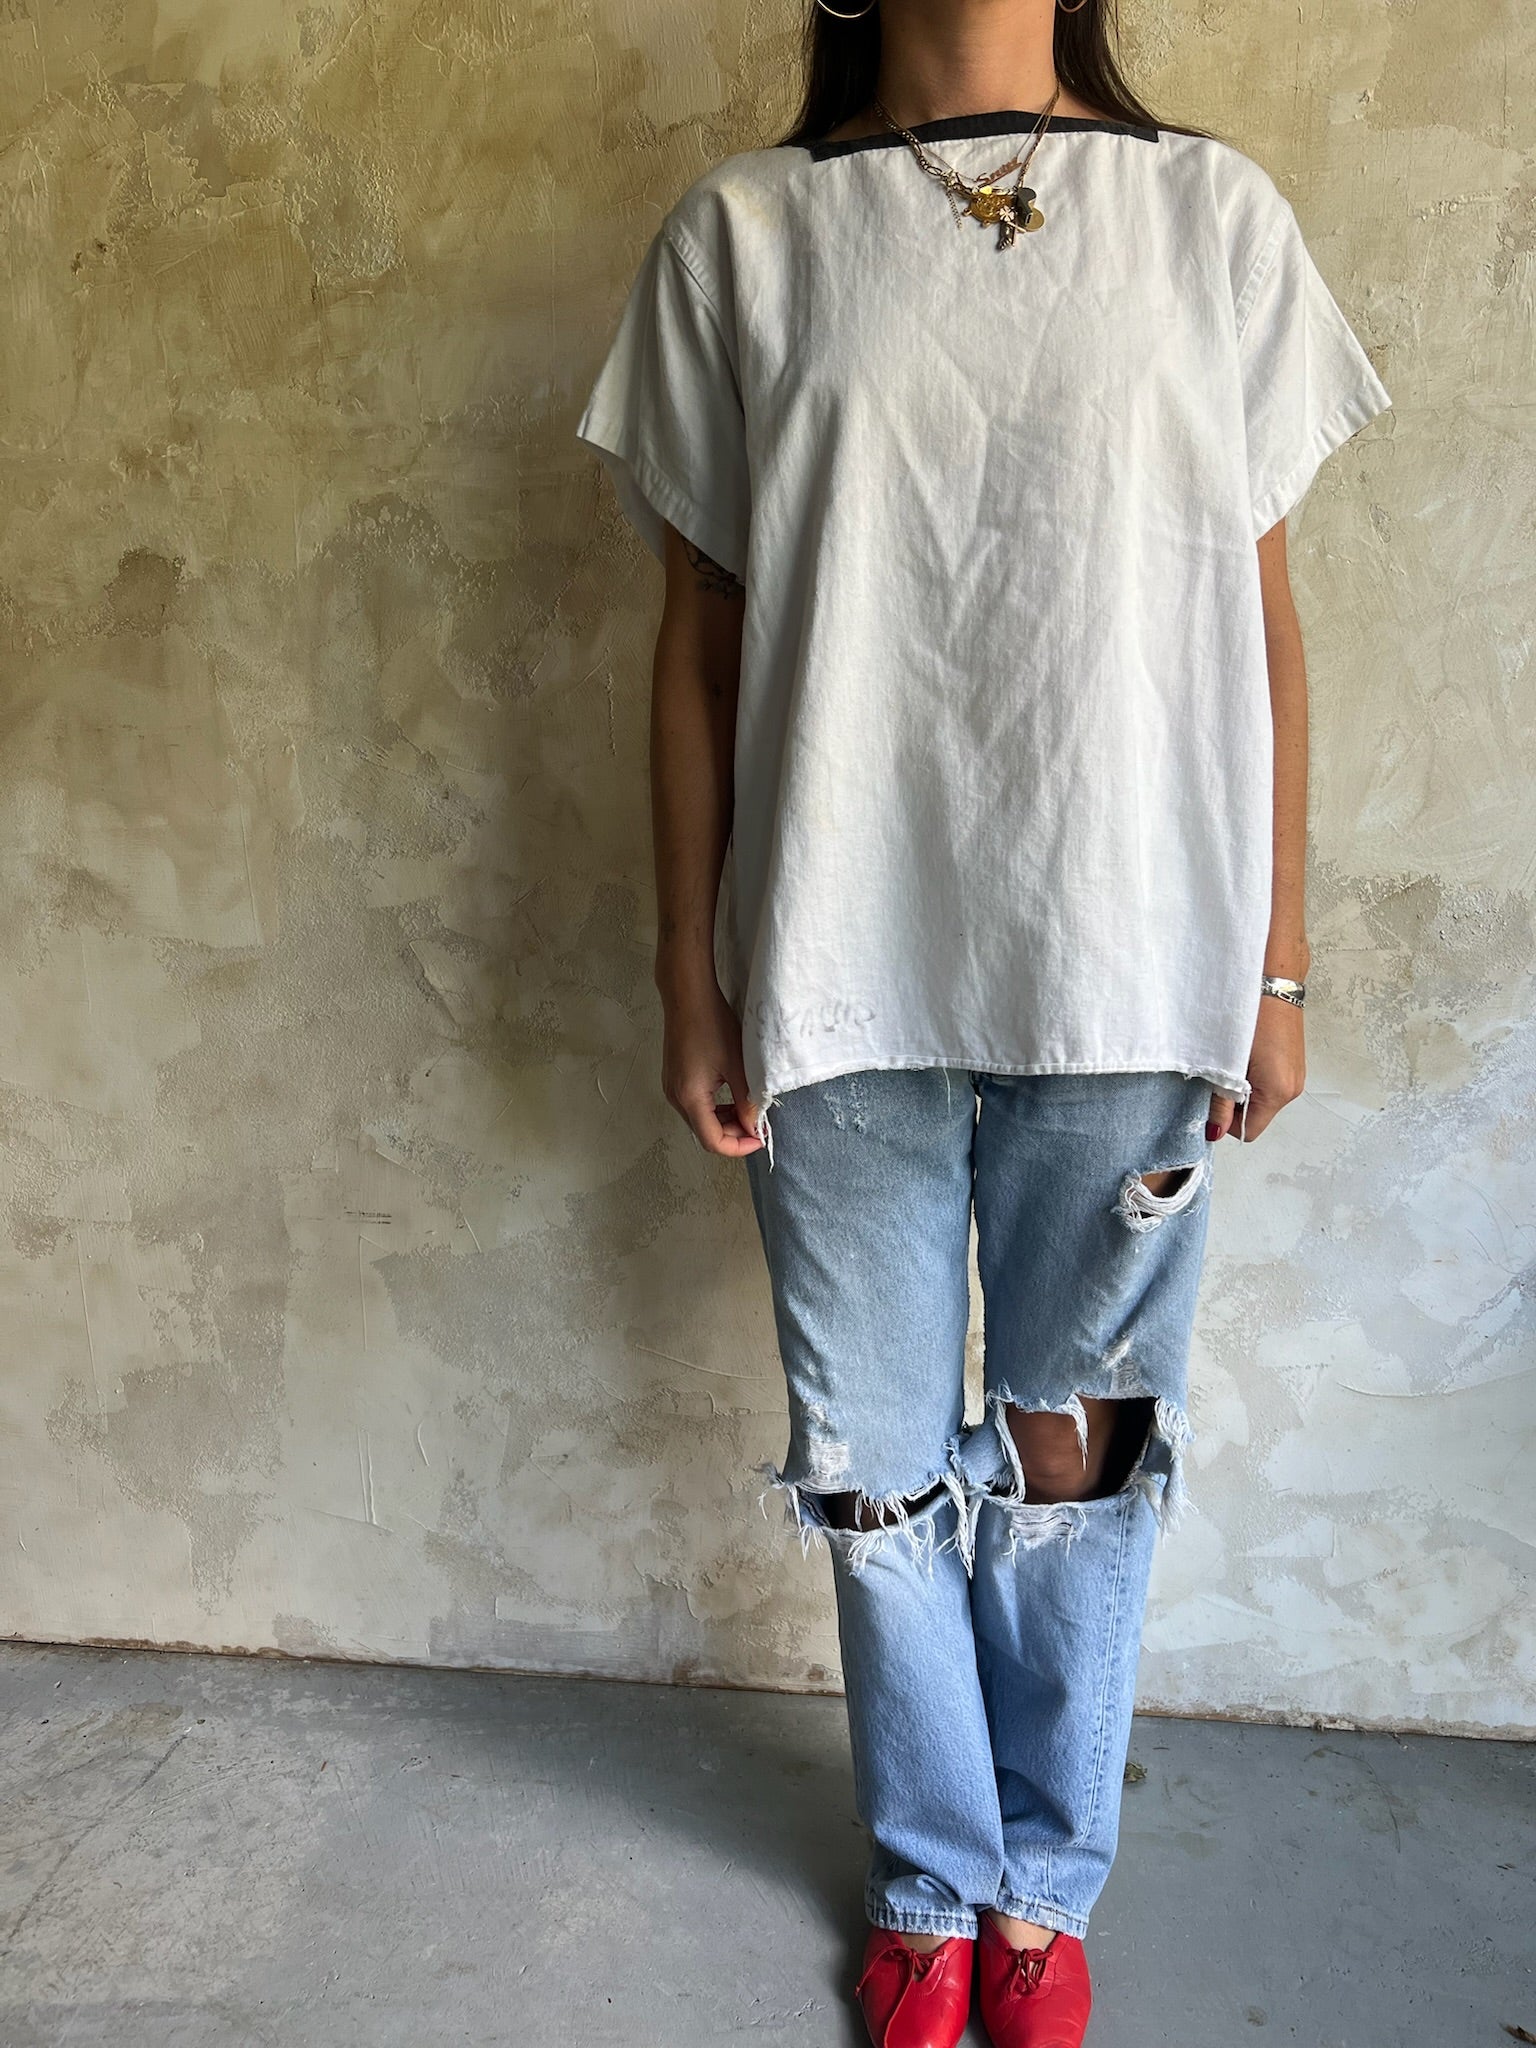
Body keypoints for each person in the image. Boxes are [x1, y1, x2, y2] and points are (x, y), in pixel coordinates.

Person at [575, 0, 1392, 2040]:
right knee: (868, 1471)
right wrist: (688, 966)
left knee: (1075, 1459)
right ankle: (934, 1884)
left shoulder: (1211, 221)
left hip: (1128, 958)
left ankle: (1045, 1888)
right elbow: (699, 641)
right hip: (832, 964)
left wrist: (1279, 967)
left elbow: (1265, 624)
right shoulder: (747, 239)